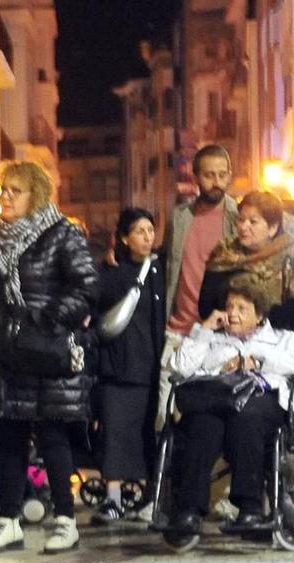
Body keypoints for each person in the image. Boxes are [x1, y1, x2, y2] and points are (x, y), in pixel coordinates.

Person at [0, 160, 98, 553]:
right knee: (9, 438)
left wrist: (43, 319)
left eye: (14, 190)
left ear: (35, 195)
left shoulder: (61, 235)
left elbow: (87, 287)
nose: (4, 197)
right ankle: (9, 520)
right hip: (2, 355)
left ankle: (65, 520)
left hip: (44, 351)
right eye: (2, 189)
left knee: (53, 434)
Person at [159, 279, 294, 549]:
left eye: (242, 308)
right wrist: (204, 329)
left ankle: (250, 508)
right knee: (201, 425)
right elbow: (180, 367)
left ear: (260, 314)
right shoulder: (213, 341)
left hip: (262, 402)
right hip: (216, 402)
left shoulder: (282, 339)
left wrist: (258, 361)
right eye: (230, 306)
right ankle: (188, 510)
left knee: (246, 419)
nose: (232, 313)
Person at [92, 206, 167, 521]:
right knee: (115, 434)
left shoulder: (159, 270)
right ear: (124, 237)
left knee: (150, 433)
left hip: (153, 366)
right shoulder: (110, 272)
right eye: (139, 231)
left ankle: (152, 496)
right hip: (118, 367)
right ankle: (113, 498)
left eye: (150, 230)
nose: (148, 237)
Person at [195, 190, 294, 334]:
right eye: (241, 220)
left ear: (272, 228)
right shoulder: (225, 253)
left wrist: (262, 318)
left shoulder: (293, 254)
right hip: (226, 339)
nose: (243, 227)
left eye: (253, 222)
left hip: (276, 341)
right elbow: (206, 307)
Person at [164, 144, 238, 345]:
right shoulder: (180, 217)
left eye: (223, 175)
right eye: (209, 175)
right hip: (179, 332)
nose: (217, 182)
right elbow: (165, 262)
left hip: (223, 334)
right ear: (195, 176)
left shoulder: (239, 218)